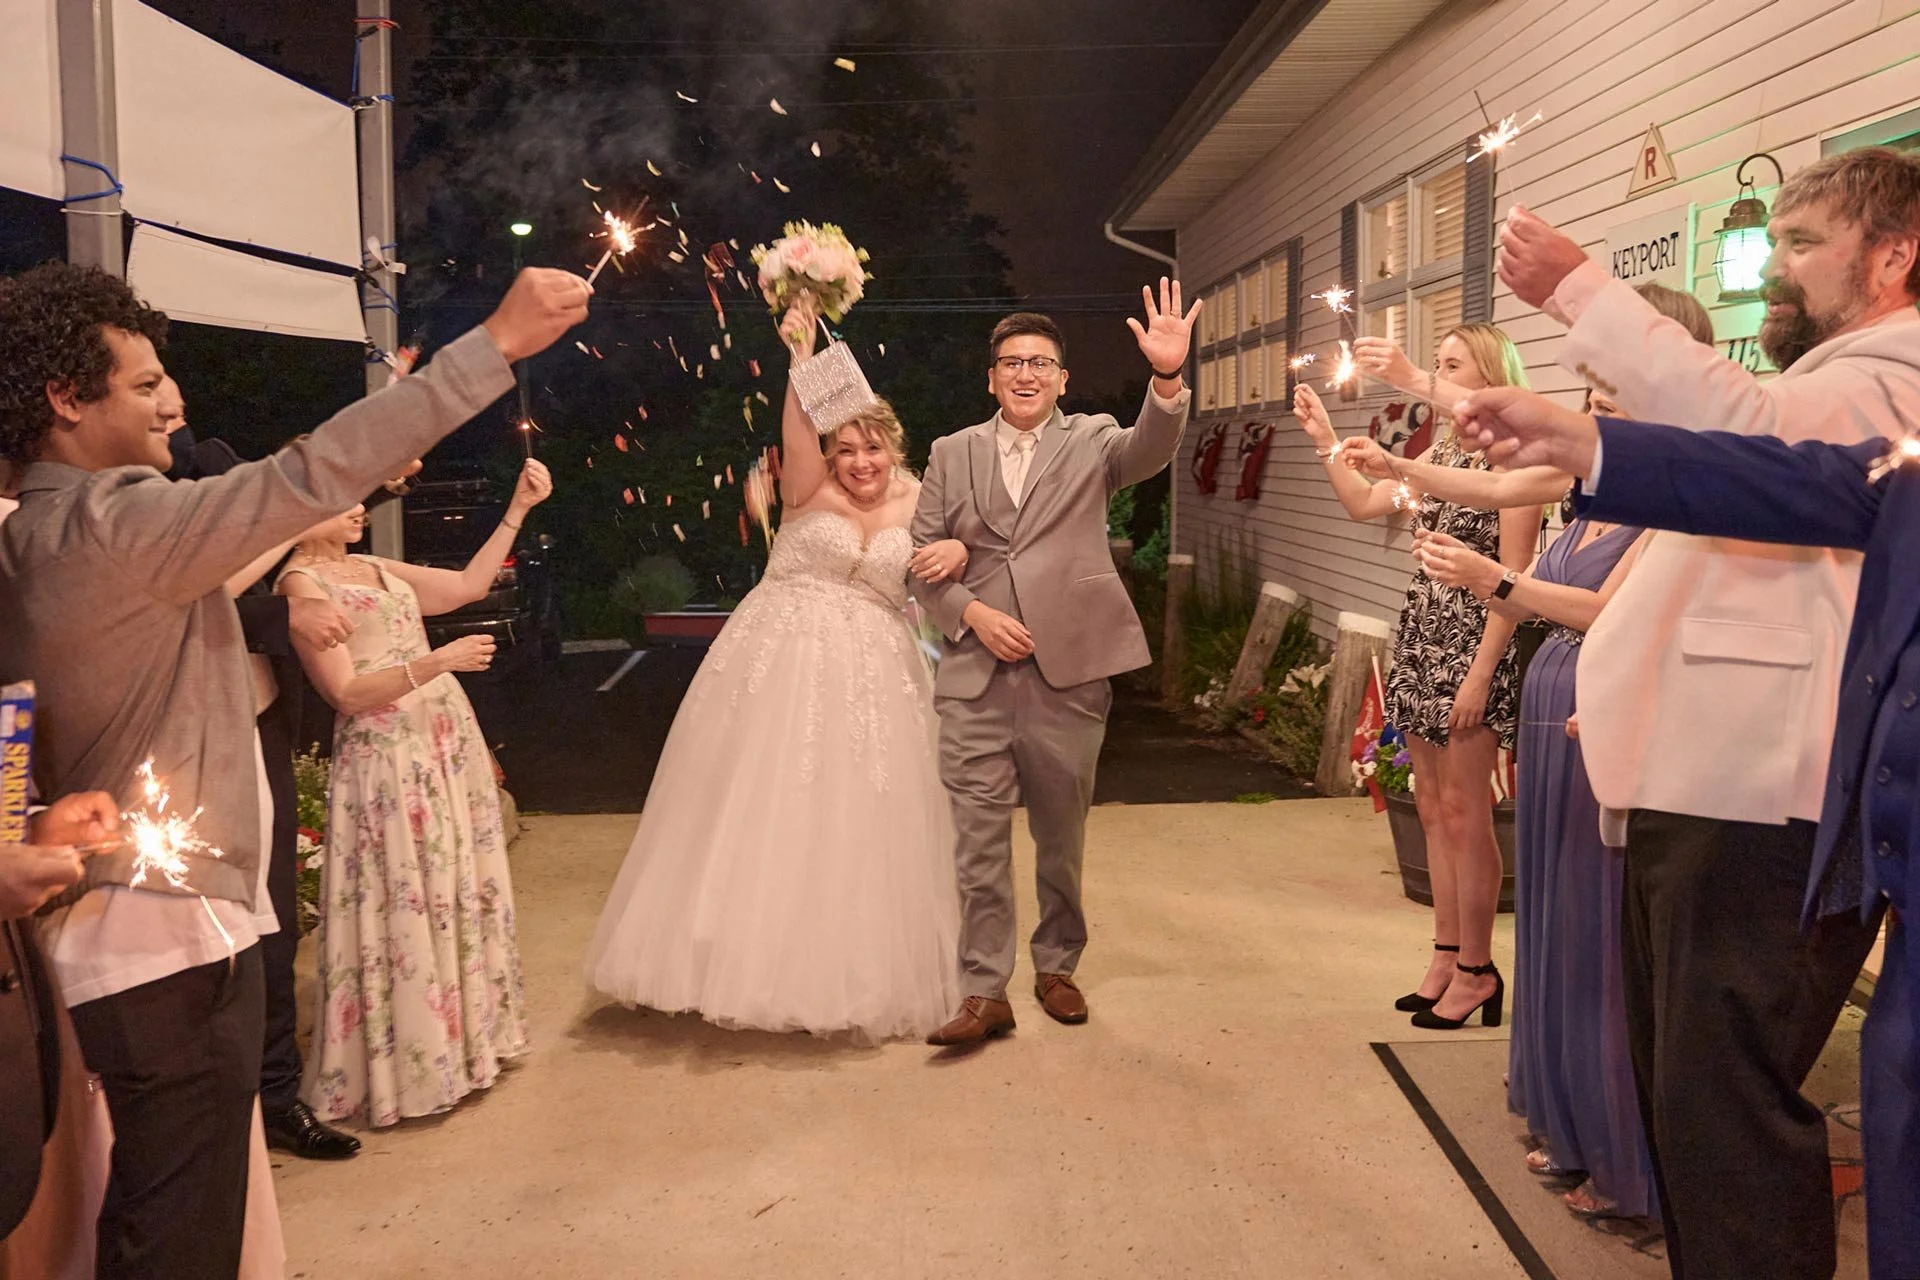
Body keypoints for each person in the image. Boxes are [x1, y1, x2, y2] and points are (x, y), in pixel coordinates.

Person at [0, 260, 586, 1278]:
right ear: (63, 397)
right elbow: (298, 479)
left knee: (147, 1210)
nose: (172, 401)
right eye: (143, 386)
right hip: (162, 942)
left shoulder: (38, 532)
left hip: (131, 933)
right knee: (175, 1236)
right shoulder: (113, 523)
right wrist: (490, 346)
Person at [1487, 146, 1920, 1278]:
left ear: (1894, 255)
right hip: (1708, 782)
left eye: (1800, 243)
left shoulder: (1893, 367)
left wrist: (1583, 288)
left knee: (1727, 1107)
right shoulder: (1837, 368)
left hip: (1766, 803)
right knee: (1690, 1100)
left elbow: (1749, 444)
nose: (1776, 270)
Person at [582, 297, 964, 1042]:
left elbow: (961, 552)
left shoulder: (923, 502)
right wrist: (797, 342)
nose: (859, 463)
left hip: (876, 676)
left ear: (894, 447)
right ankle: (724, 959)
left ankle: (839, 968)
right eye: (845, 448)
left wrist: (962, 553)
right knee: (756, 806)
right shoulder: (802, 490)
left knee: (857, 818)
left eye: (871, 449)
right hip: (776, 660)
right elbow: (796, 420)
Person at [908, 281, 1198, 1047]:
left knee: (1060, 836)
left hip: (1066, 674)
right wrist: (970, 612)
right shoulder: (950, 453)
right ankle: (983, 990)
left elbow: (1152, 447)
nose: (1026, 374)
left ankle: (1058, 964)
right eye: (1011, 362)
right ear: (992, 377)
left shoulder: (1094, 441)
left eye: (1040, 362)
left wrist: (1165, 381)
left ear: (1062, 379)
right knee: (976, 842)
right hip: (972, 675)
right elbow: (919, 565)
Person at [277, 465, 545, 1126]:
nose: (357, 509)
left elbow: (464, 587)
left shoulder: (368, 565)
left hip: (437, 742)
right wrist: (435, 663)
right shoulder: (300, 584)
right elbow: (343, 693)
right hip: (386, 755)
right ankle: (414, 1066)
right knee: (404, 895)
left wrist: (517, 508)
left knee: (452, 886)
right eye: (337, 501)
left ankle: (465, 1044)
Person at [1293, 324, 1535, 1031]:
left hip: (1472, 645)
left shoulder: (1518, 463)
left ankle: (1478, 970)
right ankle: (1444, 956)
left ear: (1492, 376)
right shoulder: (1447, 450)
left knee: (1466, 814)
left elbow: (1514, 581)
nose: (1434, 376)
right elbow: (1365, 503)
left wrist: (1482, 674)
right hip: (1423, 632)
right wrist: (1324, 440)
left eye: (1451, 365)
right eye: (1435, 365)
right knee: (1431, 807)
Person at [161, 375, 363, 1160]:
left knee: (275, 917)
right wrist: (288, 599)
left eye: (176, 404)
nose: (170, 419)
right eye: (151, 398)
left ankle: (277, 1094)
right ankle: (211, 1107)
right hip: (176, 740)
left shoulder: (214, 481)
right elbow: (204, 600)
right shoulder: (126, 520)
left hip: (254, 717)